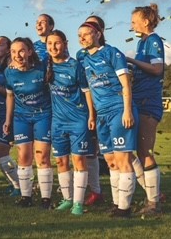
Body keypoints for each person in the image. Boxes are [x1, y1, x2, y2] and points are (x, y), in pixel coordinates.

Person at [78, 21, 137, 217]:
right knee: (111, 161)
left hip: (118, 109)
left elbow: (126, 84)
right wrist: (92, 115)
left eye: (86, 34)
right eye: (79, 35)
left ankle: (124, 209)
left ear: (98, 34)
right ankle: (117, 203)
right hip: (102, 115)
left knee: (123, 159)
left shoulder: (112, 53)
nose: (82, 38)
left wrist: (127, 111)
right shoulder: (84, 59)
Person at [46, 30, 93, 216]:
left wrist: (91, 116)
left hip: (78, 120)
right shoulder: (46, 65)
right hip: (57, 122)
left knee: (79, 160)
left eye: (57, 43)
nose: (53, 47)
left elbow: (87, 92)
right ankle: (67, 199)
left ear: (65, 44)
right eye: (50, 44)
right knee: (60, 160)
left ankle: (78, 203)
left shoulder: (75, 66)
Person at [3, 37, 53, 209]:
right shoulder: (9, 72)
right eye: (13, 52)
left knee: (42, 156)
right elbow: (10, 96)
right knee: (24, 156)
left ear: (30, 51)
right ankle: (26, 196)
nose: (17, 55)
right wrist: (8, 120)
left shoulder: (42, 68)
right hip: (21, 117)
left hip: (43, 115)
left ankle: (46, 198)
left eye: (21, 51)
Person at [126, 4, 165, 215]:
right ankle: (152, 197)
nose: (131, 24)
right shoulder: (142, 42)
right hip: (139, 100)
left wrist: (130, 60)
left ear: (146, 22)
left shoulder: (153, 40)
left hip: (149, 102)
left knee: (145, 152)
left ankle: (153, 204)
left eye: (134, 21)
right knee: (136, 152)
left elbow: (158, 69)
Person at [76, 15, 106, 206]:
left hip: (107, 107)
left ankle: (152, 192)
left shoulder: (108, 53)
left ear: (99, 32)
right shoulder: (81, 54)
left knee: (120, 153)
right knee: (89, 152)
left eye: (92, 26)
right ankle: (95, 191)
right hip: (87, 108)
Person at [0, 36, 20, 196]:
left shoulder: (11, 67)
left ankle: (20, 185)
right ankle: (13, 183)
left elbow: (16, 92)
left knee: (2, 150)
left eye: (1, 44)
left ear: (8, 49)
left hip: (9, 114)